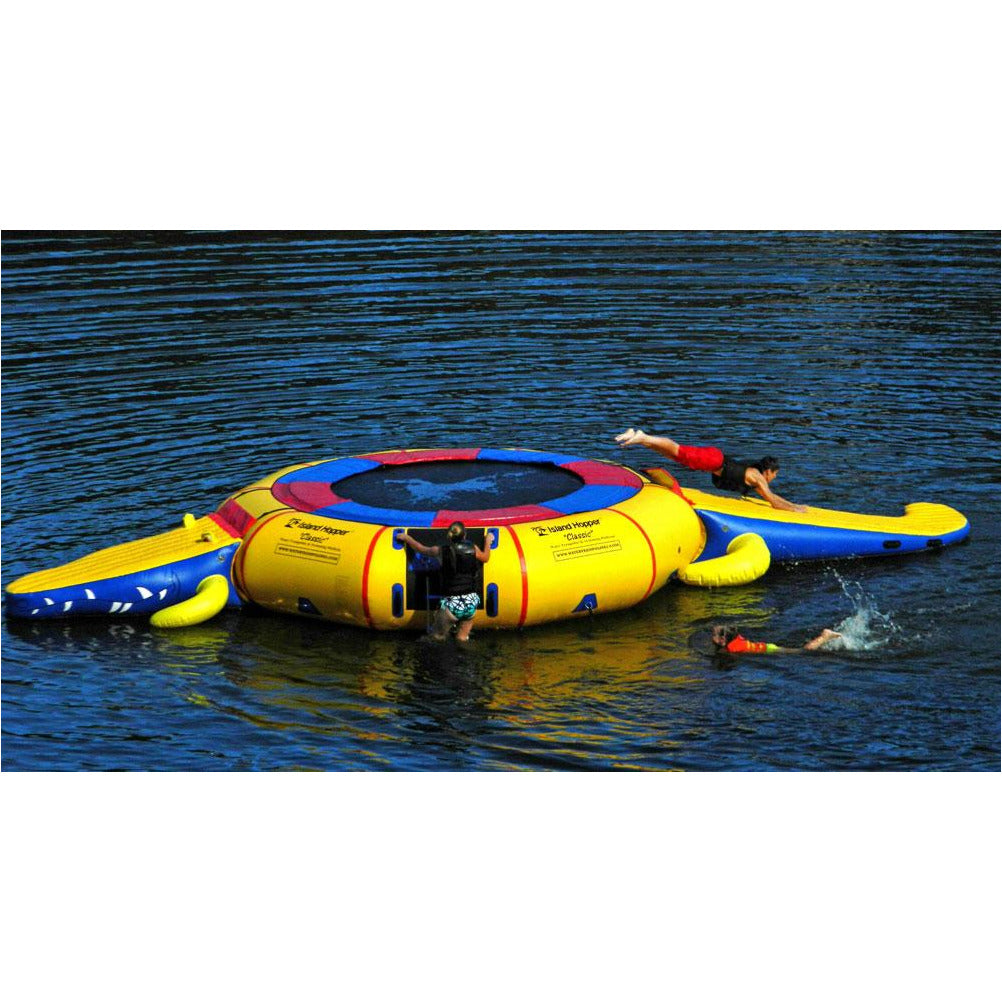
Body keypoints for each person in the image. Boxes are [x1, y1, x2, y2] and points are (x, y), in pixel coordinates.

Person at [615, 427, 808, 513]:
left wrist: (791, 504)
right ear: (769, 472)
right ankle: (642, 436)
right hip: (714, 460)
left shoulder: (756, 476)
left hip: (713, 460)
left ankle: (643, 440)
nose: (773, 479)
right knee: (677, 451)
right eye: (775, 475)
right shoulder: (758, 477)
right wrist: (795, 509)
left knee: (673, 455)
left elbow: (773, 497)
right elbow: (773, 501)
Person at [397, 521, 491, 642]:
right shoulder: (473, 548)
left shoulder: (441, 551)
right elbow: (486, 557)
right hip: (471, 602)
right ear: (465, 535)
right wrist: (488, 540)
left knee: (436, 638)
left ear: (449, 535)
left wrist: (406, 538)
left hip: (452, 604)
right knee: (462, 639)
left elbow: (420, 549)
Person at [711, 624, 842, 654]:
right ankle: (827, 638)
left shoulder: (731, 648)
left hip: (771, 650)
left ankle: (825, 636)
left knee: (803, 651)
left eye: (714, 635)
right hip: (767, 646)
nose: (711, 637)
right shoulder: (736, 639)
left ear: (722, 640)